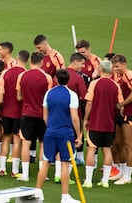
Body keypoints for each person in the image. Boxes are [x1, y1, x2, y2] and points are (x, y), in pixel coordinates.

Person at [36, 69, 82, 203]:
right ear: (68, 80)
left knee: (46, 163)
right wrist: (78, 134)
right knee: (65, 164)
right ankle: (65, 196)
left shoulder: (49, 93)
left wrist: (51, 126)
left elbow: (45, 116)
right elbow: (74, 117)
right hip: (65, 133)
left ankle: (37, 193)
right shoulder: (71, 95)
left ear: (56, 79)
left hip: (50, 131)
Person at [82, 60, 124, 188]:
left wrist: (86, 118)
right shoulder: (115, 86)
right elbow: (120, 105)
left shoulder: (95, 83)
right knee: (107, 151)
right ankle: (105, 180)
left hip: (95, 122)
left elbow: (89, 102)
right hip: (109, 124)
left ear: (100, 70)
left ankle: (88, 181)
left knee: (91, 149)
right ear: (111, 71)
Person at [16, 52, 53, 181]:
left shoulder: (22, 75)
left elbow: (19, 96)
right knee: (43, 143)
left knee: (26, 143)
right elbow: (49, 99)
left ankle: (25, 174)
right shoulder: (47, 77)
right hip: (42, 115)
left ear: (30, 61)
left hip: (27, 114)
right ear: (41, 62)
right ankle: (43, 174)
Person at [54, 53, 87, 184]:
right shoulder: (78, 78)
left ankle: (57, 174)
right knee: (71, 146)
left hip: (57, 117)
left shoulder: (57, 76)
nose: (83, 67)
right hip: (72, 117)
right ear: (75, 62)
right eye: (82, 64)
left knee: (58, 147)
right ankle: (65, 175)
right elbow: (84, 97)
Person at [0, 50, 29, 177]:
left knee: (5, 138)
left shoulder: (5, 72)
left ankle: (2, 168)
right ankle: (14, 170)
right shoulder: (25, 74)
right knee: (17, 141)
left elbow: (1, 91)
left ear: (17, 58)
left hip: (6, 111)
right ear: (27, 60)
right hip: (18, 112)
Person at [0, 41, 17, 161]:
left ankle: (11, 154)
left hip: (9, 99)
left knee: (10, 128)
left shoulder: (14, 64)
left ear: (7, 51)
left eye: (0, 49)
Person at [111, 54, 132, 185]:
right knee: (118, 143)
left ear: (124, 64)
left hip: (129, 114)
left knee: (128, 144)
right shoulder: (118, 76)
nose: (115, 69)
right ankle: (122, 171)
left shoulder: (129, 75)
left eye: (117, 66)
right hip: (119, 115)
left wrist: (122, 104)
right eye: (113, 66)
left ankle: (128, 175)